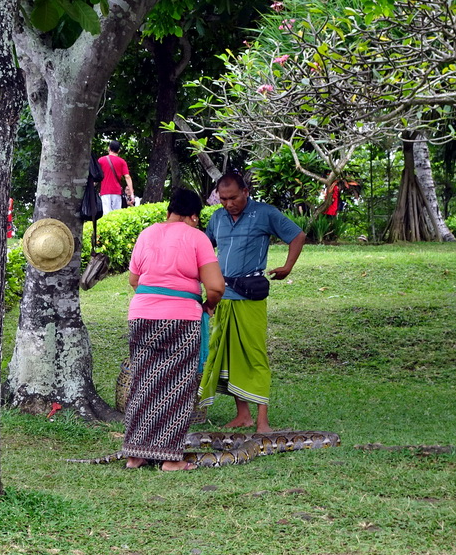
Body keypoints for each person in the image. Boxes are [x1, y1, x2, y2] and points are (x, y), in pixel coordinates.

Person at [124, 188, 224, 471]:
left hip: (141, 315)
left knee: (142, 383)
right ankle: (170, 459)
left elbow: (135, 279)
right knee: (178, 385)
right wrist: (208, 305)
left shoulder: (146, 234)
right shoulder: (197, 237)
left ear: (169, 210)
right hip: (181, 318)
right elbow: (216, 286)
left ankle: (136, 454)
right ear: (194, 216)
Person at [199, 172, 307, 433]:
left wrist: (288, 266)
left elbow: (297, 235)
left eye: (233, 197)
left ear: (246, 192)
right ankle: (243, 415)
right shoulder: (217, 218)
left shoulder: (265, 213)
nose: (228, 204)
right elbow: (203, 249)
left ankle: (262, 422)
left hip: (250, 297)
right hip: (222, 296)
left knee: (255, 356)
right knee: (226, 356)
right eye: (222, 199)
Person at [98, 141, 135, 215]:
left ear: (109, 148)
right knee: (116, 215)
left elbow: (97, 176)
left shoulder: (101, 160)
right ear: (119, 150)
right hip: (116, 191)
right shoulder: (122, 162)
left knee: (106, 215)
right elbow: (127, 177)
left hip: (105, 191)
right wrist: (132, 194)